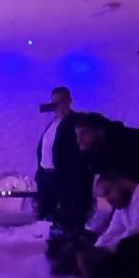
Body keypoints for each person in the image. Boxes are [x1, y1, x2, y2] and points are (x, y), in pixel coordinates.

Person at [34, 86, 91, 228]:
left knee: (66, 215)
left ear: (69, 101)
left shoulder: (76, 121)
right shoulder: (52, 123)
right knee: (46, 214)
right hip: (46, 175)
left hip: (64, 176)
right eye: (54, 102)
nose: (57, 105)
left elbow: (78, 149)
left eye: (61, 101)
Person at [75, 113, 139, 184]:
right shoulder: (101, 152)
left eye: (84, 133)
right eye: (77, 135)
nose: (79, 140)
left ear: (101, 131)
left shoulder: (124, 146)